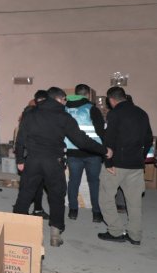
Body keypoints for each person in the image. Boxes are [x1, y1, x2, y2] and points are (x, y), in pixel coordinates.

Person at [13, 87, 109, 247]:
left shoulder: (31, 114)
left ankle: (16, 230)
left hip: (33, 161)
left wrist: (19, 160)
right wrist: (104, 150)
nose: (66, 103)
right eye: (65, 100)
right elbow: (81, 141)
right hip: (53, 162)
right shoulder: (64, 117)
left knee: (25, 193)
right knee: (56, 196)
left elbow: (20, 139)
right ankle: (55, 235)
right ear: (59, 99)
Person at [98, 87, 152, 245]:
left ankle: (115, 231)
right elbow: (148, 139)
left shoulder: (114, 114)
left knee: (106, 198)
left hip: (116, 164)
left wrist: (108, 162)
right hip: (136, 164)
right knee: (134, 202)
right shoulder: (142, 113)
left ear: (111, 100)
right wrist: (141, 157)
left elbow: (108, 139)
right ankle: (135, 236)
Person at [64, 83, 106, 223]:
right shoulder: (92, 109)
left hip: (72, 152)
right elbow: (101, 131)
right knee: (94, 182)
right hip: (92, 152)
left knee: (73, 181)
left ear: (75, 93)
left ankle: (73, 211)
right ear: (88, 95)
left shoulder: (65, 108)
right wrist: (104, 150)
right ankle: (96, 213)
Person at [18, 90, 50, 219]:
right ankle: (22, 210)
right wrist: (20, 159)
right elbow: (22, 139)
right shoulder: (31, 114)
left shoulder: (29, 113)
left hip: (32, 155)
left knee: (35, 185)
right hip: (31, 155)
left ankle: (35, 209)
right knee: (30, 186)